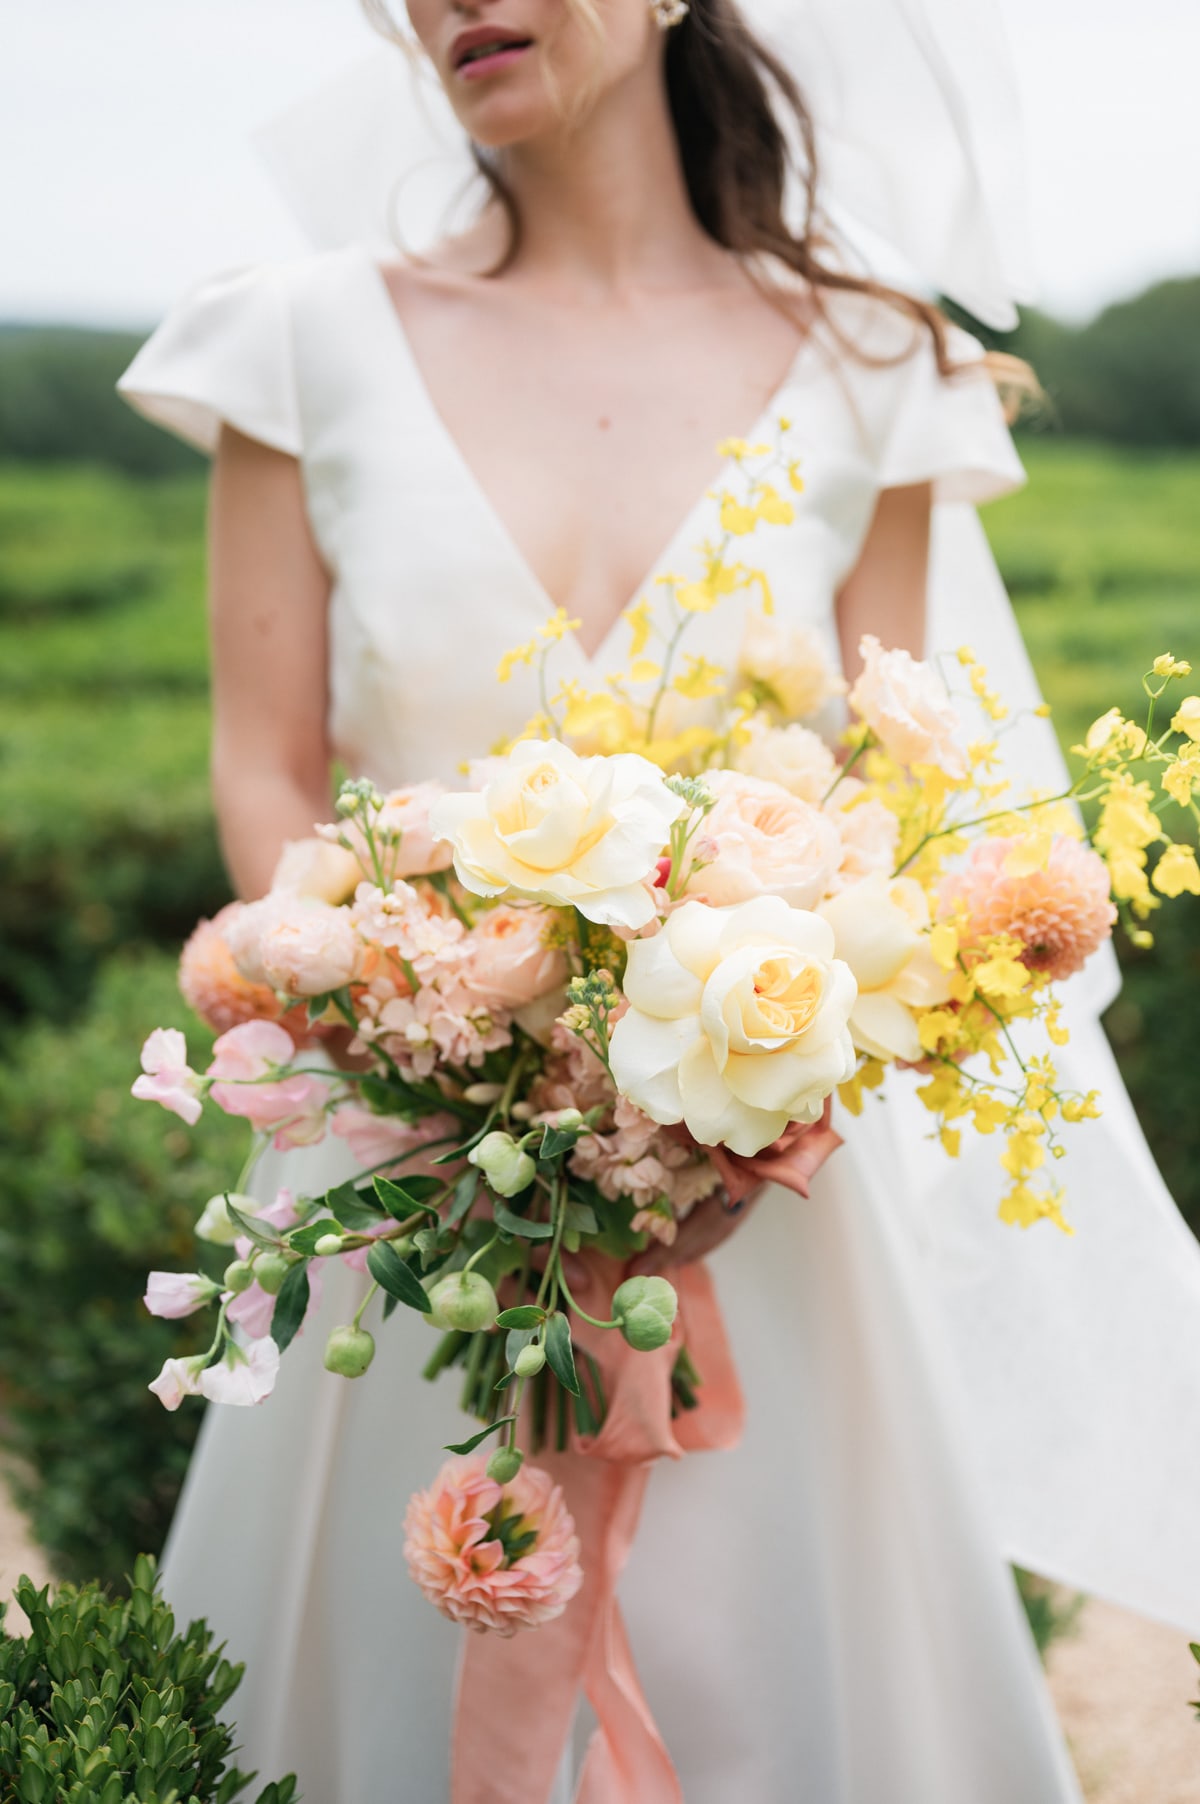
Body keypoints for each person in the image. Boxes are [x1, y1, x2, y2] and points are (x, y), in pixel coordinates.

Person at [117, 0, 1200, 1798]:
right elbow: (269, 771)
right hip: (408, 1192)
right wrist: (437, 1046)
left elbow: (901, 798)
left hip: (761, 1209)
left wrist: (712, 1101)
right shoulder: (301, 338)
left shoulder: (870, 360)